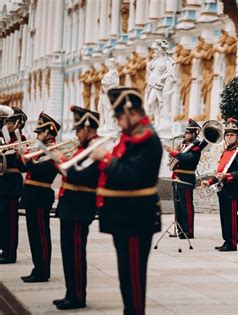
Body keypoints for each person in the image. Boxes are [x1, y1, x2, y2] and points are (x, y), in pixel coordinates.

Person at [90, 87, 162, 315]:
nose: (118, 122)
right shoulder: (133, 136)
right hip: (125, 216)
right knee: (126, 275)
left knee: (133, 276)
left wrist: (105, 157)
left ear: (131, 112)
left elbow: (132, 174)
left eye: (119, 116)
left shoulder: (147, 138)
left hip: (135, 217)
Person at [52, 106, 101, 310]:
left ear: (88, 129)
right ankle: (70, 292)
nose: (76, 134)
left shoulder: (95, 148)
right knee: (68, 253)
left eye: (79, 129)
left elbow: (81, 175)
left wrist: (60, 160)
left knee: (76, 254)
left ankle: (78, 296)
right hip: (70, 206)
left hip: (80, 207)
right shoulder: (83, 148)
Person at [20, 112, 60, 282]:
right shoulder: (42, 149)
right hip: (32, 195)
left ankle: (43, 271)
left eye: (40, 132)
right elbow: (27, 170)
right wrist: (21, 156)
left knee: (41, 235)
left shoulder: (53, 150)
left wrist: (25, 157)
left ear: (49, 132)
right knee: (33, 235)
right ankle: (38, 268)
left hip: (41, 195)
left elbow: (40, 171)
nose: (37, 135)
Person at [203, 118, 238, 252]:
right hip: (222, 189)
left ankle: (232, 243)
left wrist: (227, 176)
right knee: (224, 216)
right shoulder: (226, 152)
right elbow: (219, 171)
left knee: (232, 217)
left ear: (237, 136)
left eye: (232, 134)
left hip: (232, 189)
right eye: (227, 135)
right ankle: (226, 240)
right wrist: (209, 181)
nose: (229, 137)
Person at [164, 118, 201, 239]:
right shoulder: (183, 145)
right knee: (178, 207)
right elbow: (178, 158)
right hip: (177, 178)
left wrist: (173, 152)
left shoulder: (195, 148)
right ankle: (180, 230)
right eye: (185, 132)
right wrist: (172, 158)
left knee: (187, 207)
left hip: (186, 179)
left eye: (188, 133)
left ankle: (189, 231)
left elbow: (188, 158)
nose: (185, 135)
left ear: (194, 134)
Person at [0, 107, 27, 264]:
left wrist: (19, 153)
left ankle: (10, 253)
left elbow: (24, 167)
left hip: (11, 183)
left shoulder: (20, 139)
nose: (6, 124)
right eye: (5, 121)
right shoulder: (2, 137)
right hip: (1, 183)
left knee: (10, 221)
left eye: (9, 122)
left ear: (17, 123)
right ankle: (3, 248)